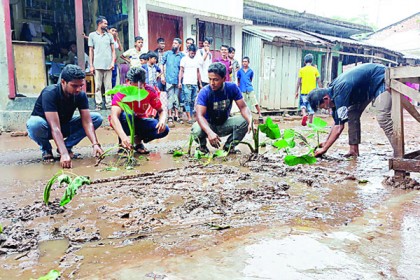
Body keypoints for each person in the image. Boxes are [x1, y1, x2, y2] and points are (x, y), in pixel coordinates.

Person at [308, 63, 398, 158]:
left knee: (383, 117)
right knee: (352, 114)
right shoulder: (332, 95)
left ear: (326, 99)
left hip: (381, 78)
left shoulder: (339, 93)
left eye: (322, 107)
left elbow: (339, 128)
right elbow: (337, 123)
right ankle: (353, 150)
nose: (325, 109)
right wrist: (325, 142)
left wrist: (324, 149)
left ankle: (399, 152)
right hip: (365, 89)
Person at [26, 65, 103, 168]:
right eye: (74, 86)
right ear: (63, 82)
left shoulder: (80, 95)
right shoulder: (50, 93)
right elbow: (54, 127)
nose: (78, 89)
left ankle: (66, 146)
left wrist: (95, 144)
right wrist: (64, 154)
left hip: (64, 126)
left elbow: (87, 122)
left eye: (81, 85)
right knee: (34, 124)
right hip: (46, 128)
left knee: (96, 118)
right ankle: (46, 149)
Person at [191, 62, 253, 154]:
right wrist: (209, 132)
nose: (212, 83)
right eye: (210, 79)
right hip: (208, 125)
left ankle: (229, 147)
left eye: (216, 80)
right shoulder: (204, 92)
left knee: (244, 121)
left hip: (224, 123)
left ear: (224, 79)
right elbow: (199, 115)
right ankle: (202, 147)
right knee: (196, 129)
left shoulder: (232, 88)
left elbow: (243, 107)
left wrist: (250, 121)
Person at [109, 67, 169, 154]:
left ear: (144, 84)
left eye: (139, 87)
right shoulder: (121, 91)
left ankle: (138, 141)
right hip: (124, 120)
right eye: (134, 87)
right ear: (127, 82)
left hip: (140, 121)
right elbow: (114, 117)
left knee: (165, 129)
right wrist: (123, 137)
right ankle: (122, 143)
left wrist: (162, 120)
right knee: (128, 115)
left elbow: (161, 111)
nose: (136, 90)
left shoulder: (150, 91)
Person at [88, 16, 116, 110]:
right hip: (97, 65)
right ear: (99, 24)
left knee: (108, 86)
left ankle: (109, 105)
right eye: (105, 23)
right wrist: (91, 65)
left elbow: (113, 51)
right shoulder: (92, 35)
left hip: (108, 65)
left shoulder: (109, 36)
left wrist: (113, 62)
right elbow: (91, 51)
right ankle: (98, 104)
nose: (106, 25)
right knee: (98, 86)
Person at [161, 38, 185, 127]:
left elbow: (183, 69)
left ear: (179, 45)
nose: (173, 44)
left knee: (177, 98)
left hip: (178, 80)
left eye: (176, 43)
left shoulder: (182, 56)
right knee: (170, 97)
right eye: (173, 43)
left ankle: (176, 115)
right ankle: (170, 116)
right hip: (169, 79)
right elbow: (161, 64)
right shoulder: (167, 54)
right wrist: (162, 75)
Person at [295, 53, 322, 126]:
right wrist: (322, 90)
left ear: (304, 61)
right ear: (311, 61)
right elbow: (318, 81)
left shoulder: (302, 70)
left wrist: (296, 91)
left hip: (304, 91)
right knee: (311, 107)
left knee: (303, 105)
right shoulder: (315, 70)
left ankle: (304, 114)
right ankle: (310, 123)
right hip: (313, 92)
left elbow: (299, 81)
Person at [179, 44, 202, 124]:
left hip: (194, 83)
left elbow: (198, 72)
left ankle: (191, 116)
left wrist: (200, 83)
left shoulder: (197, 60)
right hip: (186, 82)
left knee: (193, 101)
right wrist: (179, 82)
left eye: (194, 53)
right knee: (187, 100)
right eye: (192, 53)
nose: (193, 54)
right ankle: (189, 117)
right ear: (188, 51)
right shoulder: (184, 59)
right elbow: (181, 71)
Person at [237, 56, 263, 122]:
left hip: (249, 88)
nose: (244, 63)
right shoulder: (240, 71)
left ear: (248, 62)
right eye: (243, 61)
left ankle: (260, 114)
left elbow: (250, 79)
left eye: (246, 61)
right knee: (243, 103)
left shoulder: (251, 71)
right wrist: (239, 88)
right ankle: (243, 115)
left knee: (254, 101)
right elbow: (238, 80)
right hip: (242, 88)